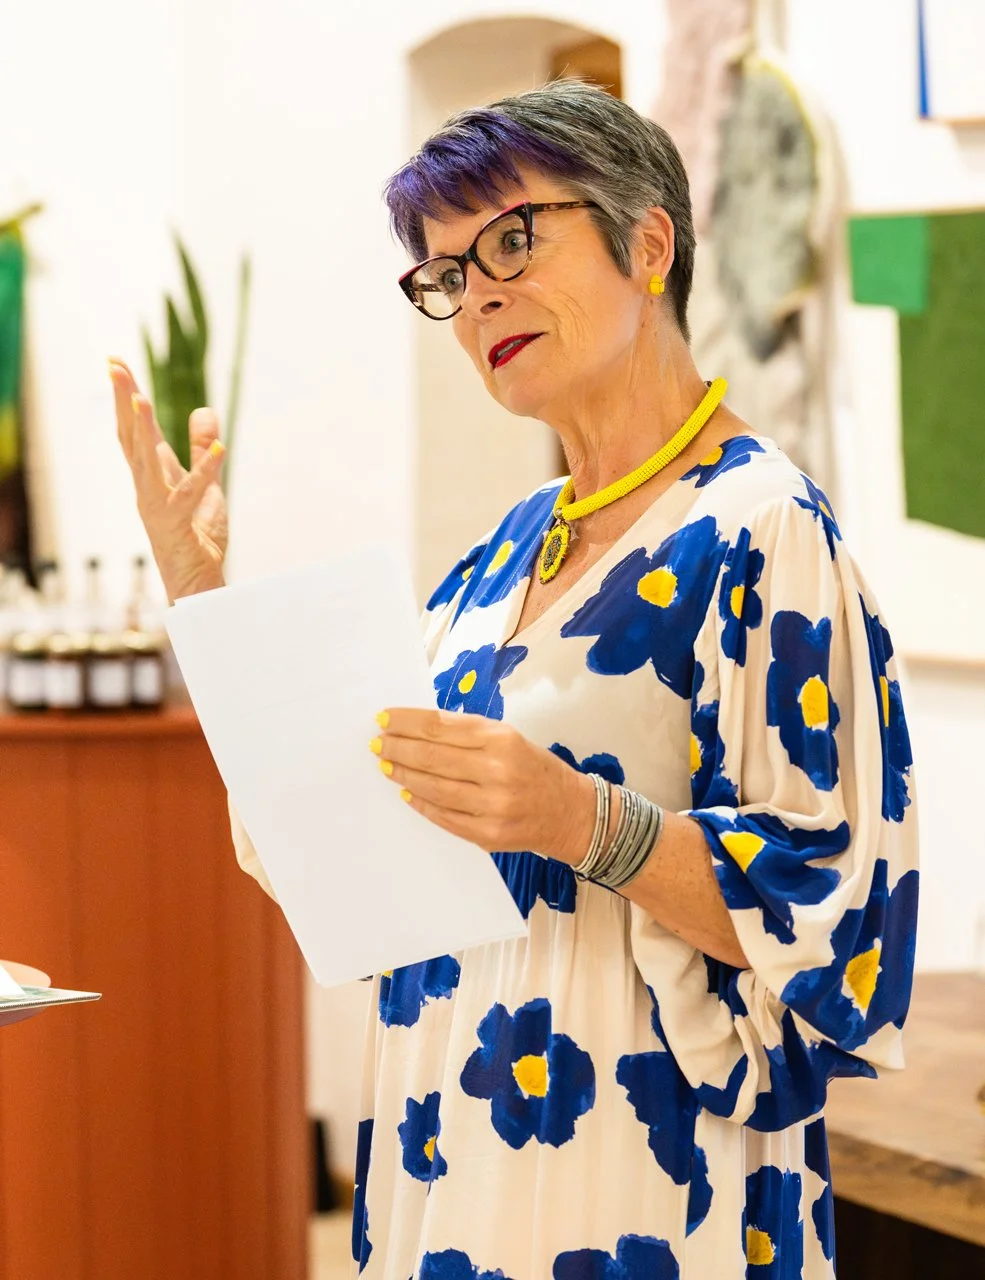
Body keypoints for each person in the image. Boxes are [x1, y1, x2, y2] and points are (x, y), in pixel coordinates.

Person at [111, 80, 918, 1280]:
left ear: (648, 243)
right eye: (444, 273)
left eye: (511, 238)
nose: (474, 292)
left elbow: (842, 907)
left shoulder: (761, 524)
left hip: (635, 1166)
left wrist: (584, 821)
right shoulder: (503, 551)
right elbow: (335, 841)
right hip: (450, 1140)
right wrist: (203, 600)